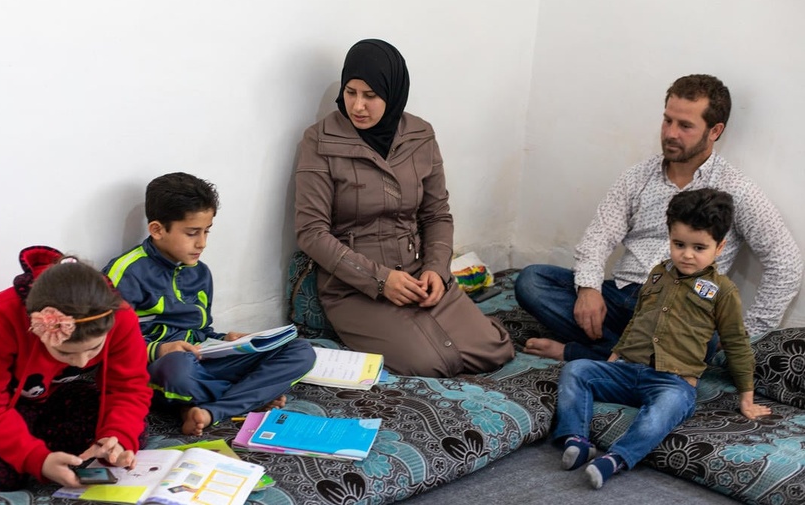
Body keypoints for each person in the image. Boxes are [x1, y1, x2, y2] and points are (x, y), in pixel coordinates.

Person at [515, 74, 803, 362]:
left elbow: (786, 263)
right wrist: (589, 288)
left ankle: (584, 353)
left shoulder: (736, 189)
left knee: (702, 337)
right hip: (622, 296)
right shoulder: (637, 177)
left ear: (714, 131)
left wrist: (747, 336)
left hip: (680, 311)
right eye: (668, 120)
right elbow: (598, 237)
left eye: (685, 126)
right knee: (532, 281)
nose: (670, 133)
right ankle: (639, 358)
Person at [294, 39, 515, 377]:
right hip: (353, 288)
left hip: (417, 274)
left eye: (370, 95)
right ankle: (422, 338)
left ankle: (441, 326)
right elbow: (311, 233)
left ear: (394, 93)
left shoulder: (420, 135)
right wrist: (381, 280)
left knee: (496, 349)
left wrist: (436, 270)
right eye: (350, 92)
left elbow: (437, 214)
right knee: (428, 362)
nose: (357, 106)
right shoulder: (320, 141)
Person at [553, 188, 772, 490]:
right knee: (576, 370)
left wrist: (747, 398)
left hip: (672, 383)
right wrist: (616, 355)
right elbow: (638, 319)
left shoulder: (723, 291)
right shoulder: (658, 274)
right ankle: (576, 440)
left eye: (699, 247)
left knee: (666, 408)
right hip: (629, 370)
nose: (687, 254)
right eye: (679, 244)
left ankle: (616, 459)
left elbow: (737, 343)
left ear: (719, 247)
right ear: (669, 237)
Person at [0, 246, 152, 490]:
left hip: (47, 391)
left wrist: (116, 438)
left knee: (128, 435)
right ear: (36, 329)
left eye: (94, 349)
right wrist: (37, 459)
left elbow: (129, 389)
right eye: (65, 353)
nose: (80, 363)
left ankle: (22, 431)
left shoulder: (120, 317)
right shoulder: (1, 315)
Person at [104, 172, 316, 437]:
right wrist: (159, 349)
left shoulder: (200, 273)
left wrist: (226, 340)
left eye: (206, 231)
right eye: (192, 233)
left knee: (301, 351)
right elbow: (106, 343)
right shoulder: (125, 272)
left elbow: (200, 331)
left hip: (199, 360)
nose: (202, 243)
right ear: (157, 230)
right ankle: (247, 399)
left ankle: (207, 410)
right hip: (159, 367)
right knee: (178, 369)